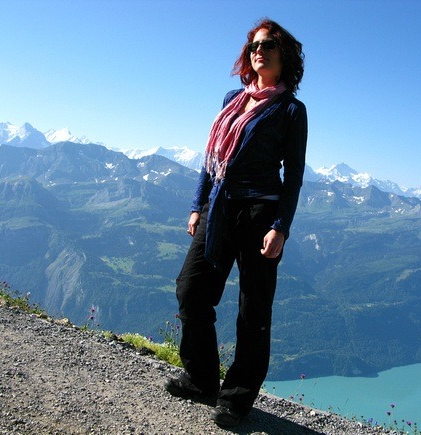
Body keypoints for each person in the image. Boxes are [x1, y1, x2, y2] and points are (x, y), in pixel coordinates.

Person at [164, 18, 307, 427]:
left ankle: (237, 396)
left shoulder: (291, 111)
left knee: (253, 308)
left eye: (268, 46)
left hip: (261, 214)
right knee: (191, 289)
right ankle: (202, 377)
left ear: (285, 57)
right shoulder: (232, 98)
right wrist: (198, 205)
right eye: (253, 46)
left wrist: (281, 226)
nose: (258, 51)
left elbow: (293, 174)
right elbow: (212, 159)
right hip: (220, 207)